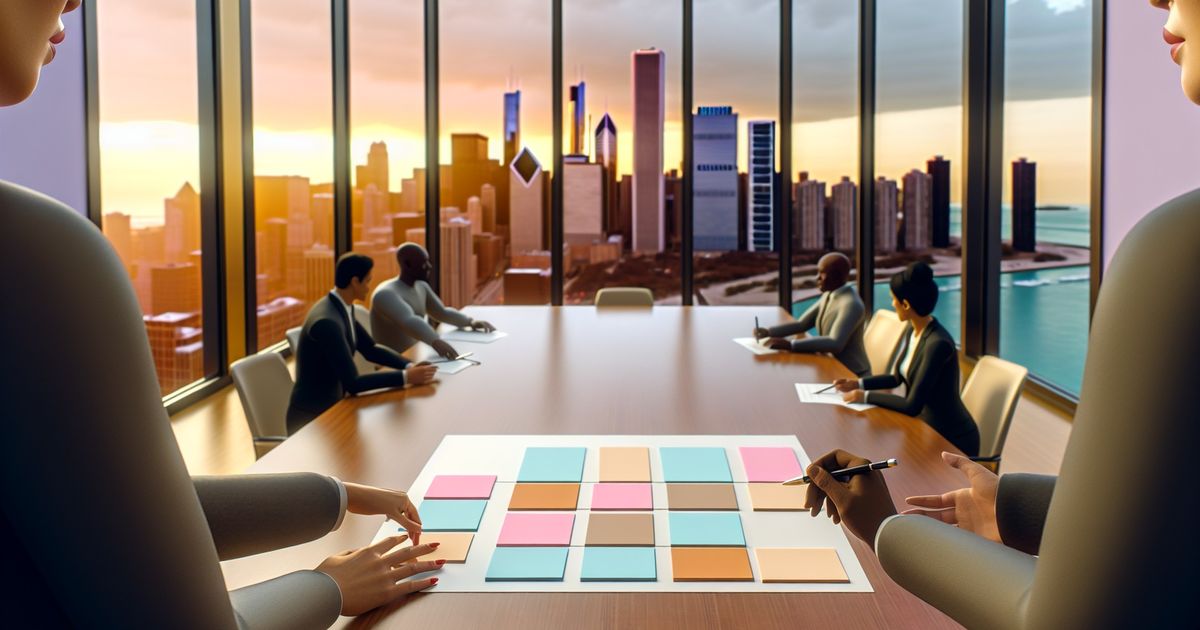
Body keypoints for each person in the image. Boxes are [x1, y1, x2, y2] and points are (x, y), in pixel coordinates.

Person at [1, 4, 440, 626]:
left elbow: (114, 514)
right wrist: (332, 587)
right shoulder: (35, 261)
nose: (73, 1)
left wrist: (340, 498)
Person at [831, 262, 979, 456]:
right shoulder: (913, 329)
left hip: (951, 439)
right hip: (925, 427)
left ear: (906, 304)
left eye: (894, 299)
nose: (892, 304)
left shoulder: (938, 344)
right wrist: (857, 384)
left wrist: (864, 396)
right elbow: (896, 378)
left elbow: (912, 405)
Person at [288, 253, 438, 434]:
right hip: (313, 421)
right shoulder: (327, 322)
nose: (369, 287)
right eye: (367, 281)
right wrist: (406, 377)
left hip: (333, 407)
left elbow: (370, 349)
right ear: (354, 282)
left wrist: (409, 365)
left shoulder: (341, 306)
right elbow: (353, 382)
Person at [371, 243, 495, 360]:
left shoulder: (421, 286)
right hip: (392, 364)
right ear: (407, 265)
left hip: (415, 356)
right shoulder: (386, 294)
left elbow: (442, 313)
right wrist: (436, 341)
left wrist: (470, 322)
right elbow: (409, 320)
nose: (429, 267)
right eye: (424, 263)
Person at [753, 252, 871, 376]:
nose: (817, 278)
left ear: (837, 276)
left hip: (850, 374)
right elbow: (802, 324)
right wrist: (769, 332)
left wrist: (791, 345)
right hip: (830, 365)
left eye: (822, 273)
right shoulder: (829, 295)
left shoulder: (851, 304)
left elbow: (835, 343)